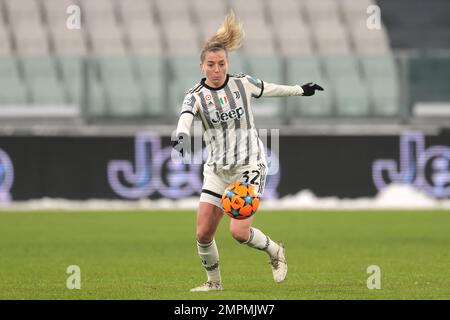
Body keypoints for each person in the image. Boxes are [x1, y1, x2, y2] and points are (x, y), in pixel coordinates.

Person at [173, 10, 323, 292]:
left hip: (249, 165)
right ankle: (214, 284)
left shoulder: (242, 83)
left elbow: (271, 88)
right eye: (211, 65)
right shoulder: (195, 95)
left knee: (239, 232)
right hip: (217, 170)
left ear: (227, 63)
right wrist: (180, 137)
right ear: (201, 66)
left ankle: (275, 252)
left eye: (221, 64)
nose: (216, 70)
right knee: (203, 232)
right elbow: (185, 117)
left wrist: (300, 90)